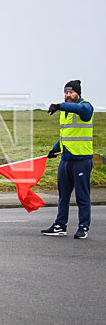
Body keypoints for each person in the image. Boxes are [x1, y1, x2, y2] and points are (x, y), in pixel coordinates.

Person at [42, 80, 94, 239]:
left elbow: (80, 109)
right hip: (66, 160)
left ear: (78, 93)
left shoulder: (86, 107)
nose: (68, 95)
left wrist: (59, 106)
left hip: (82, 160)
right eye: (66, 93)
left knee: (82, 196)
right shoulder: (65, 113)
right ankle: (60, 225)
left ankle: (83, 227)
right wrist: (55, 149)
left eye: (71, 92)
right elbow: (66, 135)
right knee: (63, 195)